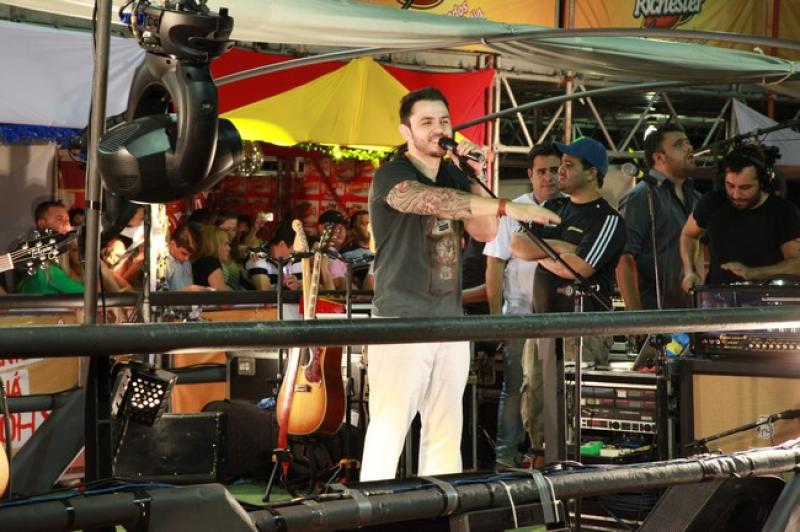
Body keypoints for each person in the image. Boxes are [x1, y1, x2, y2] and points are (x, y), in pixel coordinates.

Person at [360, 87, 560, 481]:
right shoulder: (393, 173)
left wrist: (476, 176)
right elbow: (430, 201)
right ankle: (373, 506)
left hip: (450, 320)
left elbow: (485, 232)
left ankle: (440, 504)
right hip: (401, 319)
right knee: (390, 425)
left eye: (444, 121)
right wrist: (506, 206)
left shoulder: (453, 174)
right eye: (427, 122)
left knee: (445, 429)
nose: (438, 129)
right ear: (406, 131)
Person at [510, 137, 626, 464]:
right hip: (541, 325)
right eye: (561, 164)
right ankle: (540, 469)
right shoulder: (553, 207)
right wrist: (562, 248)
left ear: (592, 172)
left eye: (569, 165)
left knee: (578, 408)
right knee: (536, 402)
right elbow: (518, 246)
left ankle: (576, 475)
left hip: (583, 329)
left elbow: (580, 269)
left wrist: (545, 251)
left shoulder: (608, 219)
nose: (559, 171)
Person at [484, 143, 562, 468]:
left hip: (559, 317)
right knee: (515, 387)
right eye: (542, 171)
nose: (549, 177)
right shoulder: (513, 210)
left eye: (555, 170)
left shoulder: (570, 207)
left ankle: (549, 455)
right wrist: (494, 320)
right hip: (518, 315)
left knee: (556, 389)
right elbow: (494, 264)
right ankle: (505, 458)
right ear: (530, 174)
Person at [680, 144, 800, 290]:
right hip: (717, 298)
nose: (736, 195)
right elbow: (688, 235)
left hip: (766, 300)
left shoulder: (783, 212)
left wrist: (754, 273)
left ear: (762, 182)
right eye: (730, 185)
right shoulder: (712, 202)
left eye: (745, 187)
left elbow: (797, 264)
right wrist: (689, 271)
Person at [616, 124, 701, 310]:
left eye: (688, 142)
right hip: (654, 311)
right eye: (679, 144)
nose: (689, 148)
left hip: (691, 310)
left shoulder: (696, 198)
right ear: (659, 158)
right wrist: (635, 317)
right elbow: (624, 258)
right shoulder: (641, 196)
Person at [16, 200, 84, 294]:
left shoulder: (61, 264)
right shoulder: (47, 271)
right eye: (59, 219)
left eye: (68, 220)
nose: (67, 224)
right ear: (42, 224)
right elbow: (89, 296)